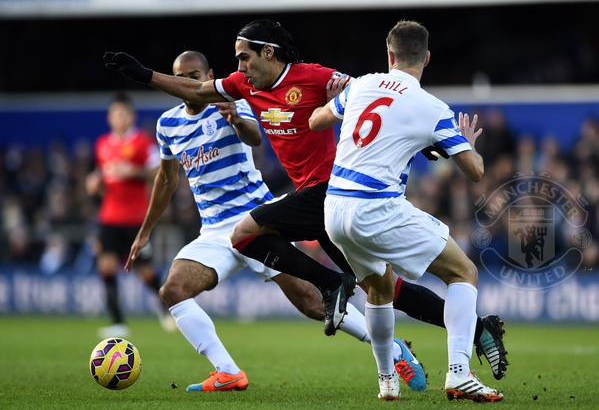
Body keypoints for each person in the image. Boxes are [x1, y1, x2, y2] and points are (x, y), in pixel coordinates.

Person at [102, 19, 508, 380]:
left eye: (245, 58)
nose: (239, 68)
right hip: (317, 202)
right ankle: (476, 328)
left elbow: (387, 103)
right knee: (386, 290)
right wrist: (145, 75)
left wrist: (434, 146)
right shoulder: (243, 87)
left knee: (248, 236)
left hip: (333, 192)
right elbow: (196, 91)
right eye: (236, 61)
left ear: (269, 53)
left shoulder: (315, 78)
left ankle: (336, 286)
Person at [124, 50, 427, 393]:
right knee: (173, 290)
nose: (190, 82)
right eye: (183, 76)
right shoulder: (168, 124)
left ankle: (391, 347)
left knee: (313, 304)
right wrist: (145, 231)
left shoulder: (227, 103)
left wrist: (237, 121)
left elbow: (254, 136)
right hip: (213, 231)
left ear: (208, 76)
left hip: (258, 222)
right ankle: (227, 372)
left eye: (196, 76)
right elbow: (166, 179)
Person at [309, 20, 503, 402]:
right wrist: (463, 143)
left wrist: (338, 102)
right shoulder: (432, 108)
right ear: (427, 58)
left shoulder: (361, 85)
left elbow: (316, 120)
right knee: (463, 272)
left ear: (389, 55)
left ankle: (386, 381)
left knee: (379, 289)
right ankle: (459, 373)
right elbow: (476, 171)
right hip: (375, 207)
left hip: (335, 209)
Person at [86, 93, 175, 338]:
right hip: (109, 217)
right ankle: (118, 323)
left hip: (137, 218)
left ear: (131, 116)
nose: (118, 118)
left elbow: (159, 172)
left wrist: (133, 171)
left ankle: (166, 311)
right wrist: (94, 182)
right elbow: (100, 175)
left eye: (122, 114)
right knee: (106, 266)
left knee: (145, 271)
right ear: (109, 118)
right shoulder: (103, 144)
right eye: (114, 114)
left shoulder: (142, 142)